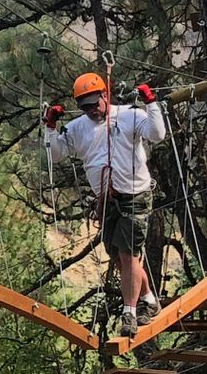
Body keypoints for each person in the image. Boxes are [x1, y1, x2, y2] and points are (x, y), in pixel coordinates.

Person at [43, 71, 166, 338]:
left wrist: (151, 103)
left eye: (94, 104)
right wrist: (50, 127)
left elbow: (157, 134)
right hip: (107, 202)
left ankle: (129, 313)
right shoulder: (78, 128)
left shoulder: (130, 115)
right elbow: (56, 155)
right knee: (120, 258)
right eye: (85, 107)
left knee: (129, 255)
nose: (92, 110)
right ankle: (148, 299)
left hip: (134, 197)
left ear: (105, 95)